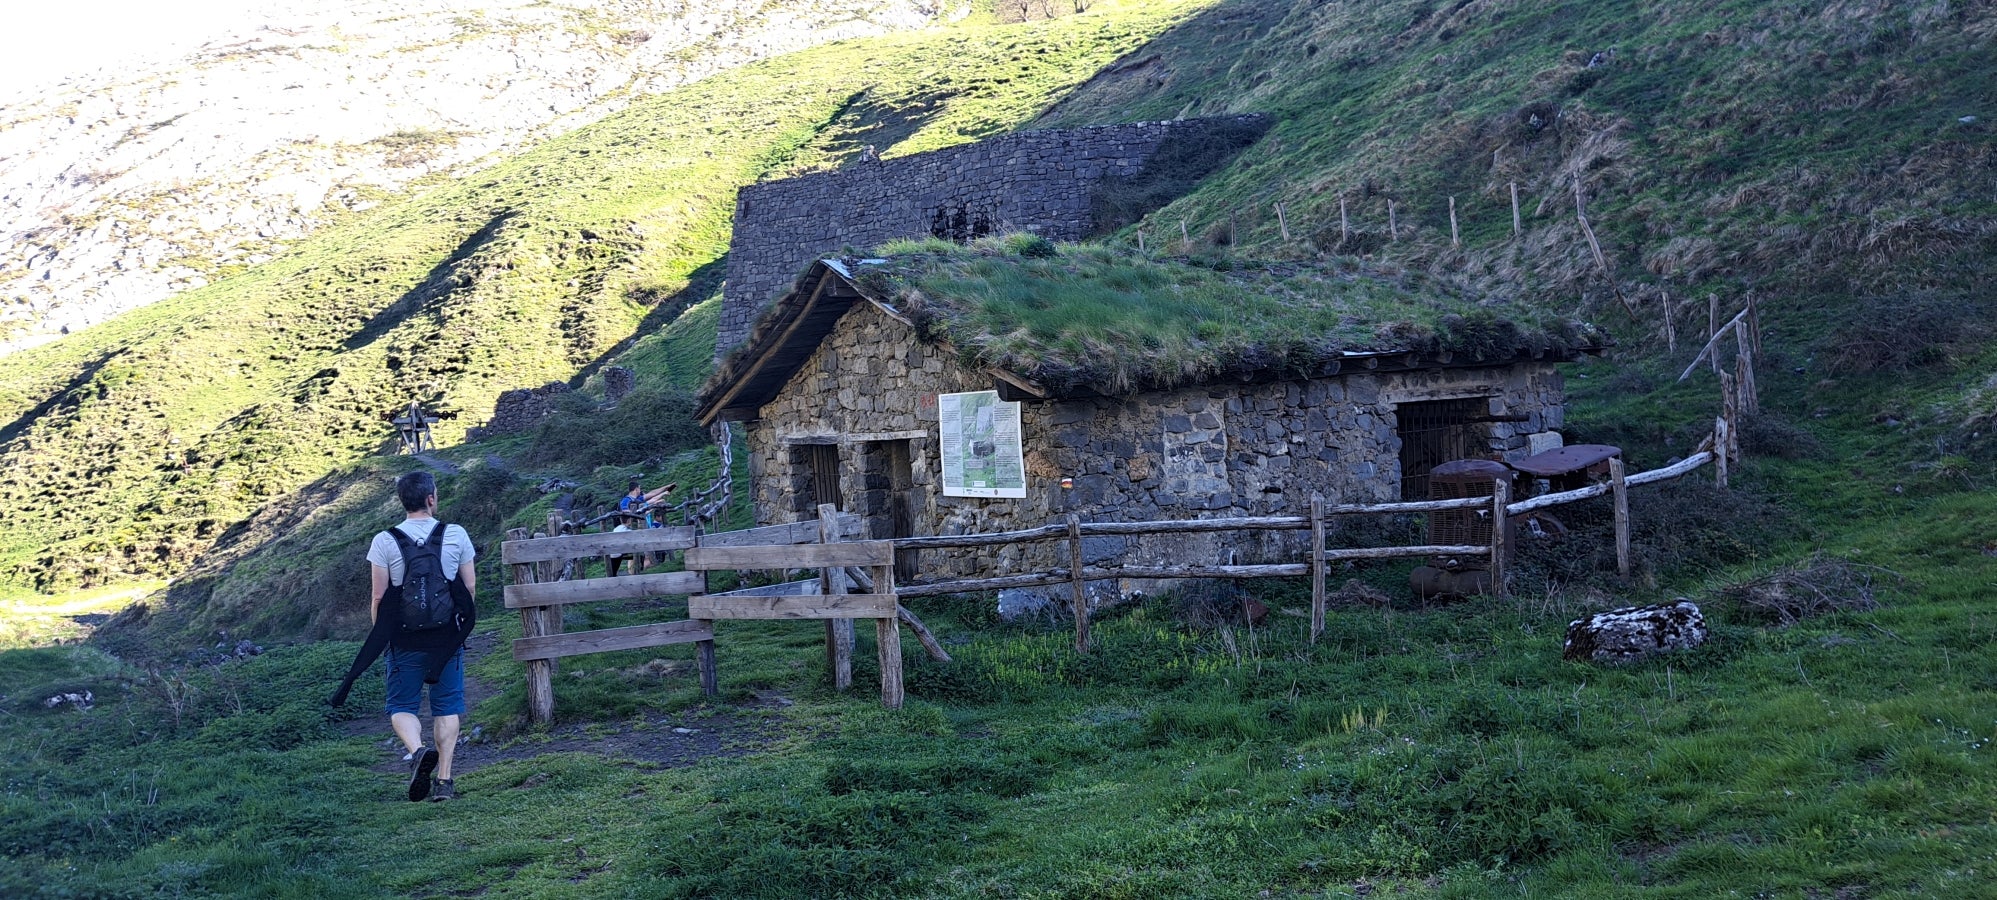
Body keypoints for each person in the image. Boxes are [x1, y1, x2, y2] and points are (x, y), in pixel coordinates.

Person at [366, 471, 477, 802]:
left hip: (405, 639)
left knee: (401, 706)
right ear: (431, 498)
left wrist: (384, 636)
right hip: (446, 639)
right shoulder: (455, 534)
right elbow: (469, 587)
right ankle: (443, 782)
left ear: (403, 501)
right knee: (446, 707)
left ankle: (417, 752)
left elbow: (378, 597)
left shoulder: (384, 540)